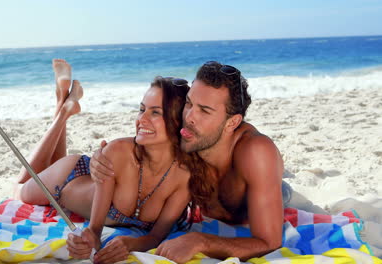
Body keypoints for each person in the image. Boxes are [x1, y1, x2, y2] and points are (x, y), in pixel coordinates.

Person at [90, 61, 285, 262]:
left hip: (267, 191)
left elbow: (269, 242)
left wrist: (200, 241)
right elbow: (144, 139)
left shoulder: (255, 153)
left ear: (232, 122)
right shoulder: (190, 137)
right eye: (189, 104)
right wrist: (99, 159)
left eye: (205, 111)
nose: (189, 117)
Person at [14, 59, 197, 264]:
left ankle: (64, 98)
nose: (141, 119)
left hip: (83, 182)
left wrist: (130, 244)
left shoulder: (184, 174)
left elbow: (155, 237)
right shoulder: (119, 151)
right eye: (142, 109)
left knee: (50, 162)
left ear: (177, 120)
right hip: (67, 179)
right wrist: (90, 238)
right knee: (19, 189)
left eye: (155, 112)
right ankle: (64, 111)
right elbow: (94, 230)